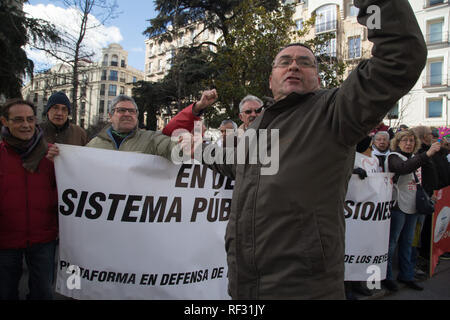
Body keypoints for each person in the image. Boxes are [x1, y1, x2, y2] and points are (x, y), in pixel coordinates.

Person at [175, 0, 427, 299]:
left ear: (317, 79)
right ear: (271, 80)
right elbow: (231, 162)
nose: (294, 65)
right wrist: (199, 149)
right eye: (284, 61)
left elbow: (400, 57)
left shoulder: (334, 112)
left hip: (304, 287)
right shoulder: (258, 128)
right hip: (244, 284)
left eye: (305, 62)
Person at [0, 99, 58, 300]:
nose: (25, 125)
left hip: (43, 239)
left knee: (43, 293)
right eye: (18, 120)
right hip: (5, 241)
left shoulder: (53, 155)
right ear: (4, 122)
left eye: (30, 119)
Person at [383, 129, 440, 292]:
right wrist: (427, 154)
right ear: (397, 143)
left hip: (414, 205)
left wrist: (428, 194)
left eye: (411, 141)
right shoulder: (393, 157)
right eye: (404, 141)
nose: (408, 144)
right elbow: (403, 168)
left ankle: (406, 275)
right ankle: (387, 276)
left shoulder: (416, 157)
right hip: (398, 206)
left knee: (408, 243)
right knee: (392, 243)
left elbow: (422, 177)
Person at [86, 95, 176, 158]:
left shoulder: (151, 139)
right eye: (121, 110)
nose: (127, 114)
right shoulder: (93, 144)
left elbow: (169, 147)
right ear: (110, 116)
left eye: (132, 111)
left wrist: (183, 146)